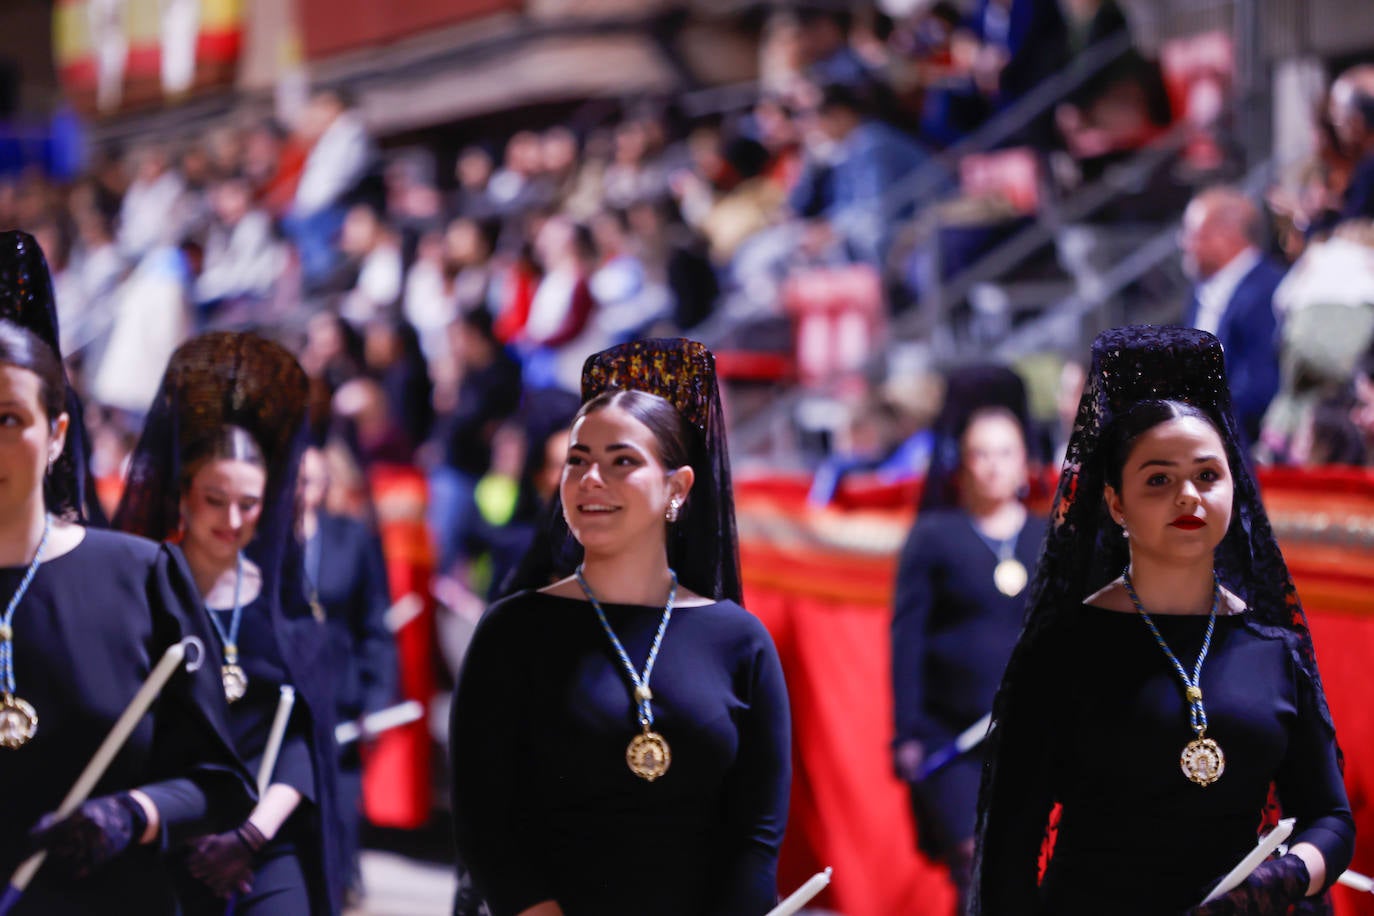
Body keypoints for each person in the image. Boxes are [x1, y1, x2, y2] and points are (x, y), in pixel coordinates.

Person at [972, 326, 1355, 915]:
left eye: (1207, 475)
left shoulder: (1273, 648)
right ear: (1116, 503)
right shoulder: (1064, 652)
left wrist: (1278, 880)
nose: (1188, 496)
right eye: (1158, 479)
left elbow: (1329, 817)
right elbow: (1009, 850)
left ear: (1235, 488)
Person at [449, 339, 791, 916]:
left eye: (621, 461)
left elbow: (756, 835)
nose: (590, 479)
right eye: (577, 460)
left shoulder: (740, 641)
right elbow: (487, 820)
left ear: (678, 489)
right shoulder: (513, 631)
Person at [0, 230, 255, 914]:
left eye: (8, 419)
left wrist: (132, 813)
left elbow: (221, 781)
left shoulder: (141, 576)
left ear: (56, 435)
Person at [114, 333, 342, 915]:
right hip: (163, 831)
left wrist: (250, 837)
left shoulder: (284, 606)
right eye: (216, 499)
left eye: (251, 503)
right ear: (183, 496)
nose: (234, 520)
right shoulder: (142, 588)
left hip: (262, 838)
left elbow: (298, 739)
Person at [891, 367, 1046, 912]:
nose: (992, 465)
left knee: (1023, 865)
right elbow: (906, 635)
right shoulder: (935, 536)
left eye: (1005, 452)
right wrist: (906, 732)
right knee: (973, 859)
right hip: (950, 739)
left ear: (1024, 460)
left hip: (1029, 739)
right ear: (962, 461)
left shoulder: (1047, 538)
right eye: (980, 453)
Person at [297, 444, 396, 903]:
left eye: (312, 479)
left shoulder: (349, 536)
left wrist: (378, 700)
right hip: (286, 695)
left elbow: (374, 624)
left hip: (341, 697)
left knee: (339, 812)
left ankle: (339, 890)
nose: (303, 489)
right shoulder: (269, 536)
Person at [1179, 187, 1284, 448]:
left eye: (1192, 233)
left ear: (1225, 234)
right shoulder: (1201, 294)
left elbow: (1261, 383)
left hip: (1246, 452)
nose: (1184, 243)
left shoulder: (1269, 291)